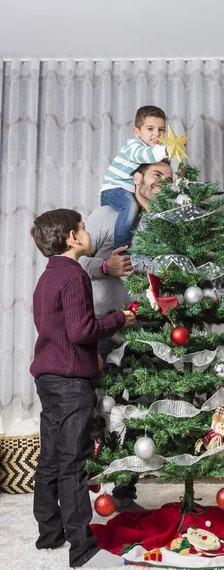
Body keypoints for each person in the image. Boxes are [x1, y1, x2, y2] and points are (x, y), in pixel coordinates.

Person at [30, 209, 137, 568]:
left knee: (51, 456)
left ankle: (49, 533)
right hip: (70, 382)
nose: (88, 232)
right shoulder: (74, 275)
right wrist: (120, 318)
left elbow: (54, 328)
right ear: (73, 238)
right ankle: (83, 549)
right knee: (74, 461)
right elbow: (80, 330)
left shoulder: (47, 276)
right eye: (84, 228)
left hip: (46, 376)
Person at [80, 160, 173, 508]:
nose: (162, 182)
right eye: (155, 175)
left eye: (168, 177)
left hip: (145, 330)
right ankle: (80, 495)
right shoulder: (105, 215)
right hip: (103, 329)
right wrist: (107, 266)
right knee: (94, 412)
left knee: (136, 414)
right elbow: (72, 264)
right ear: (137, 179)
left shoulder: (165, 224)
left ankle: (124, 494)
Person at [100, 105, 169, 250]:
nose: (157, 134)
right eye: (150, 129)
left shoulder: (153, 150)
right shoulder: (134, 147)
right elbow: (145, 154)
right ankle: (120, 249)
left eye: (161, 129)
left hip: (129, 190)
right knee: (130, 206)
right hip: (114, 189)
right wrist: (169, 149)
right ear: (137, 132)